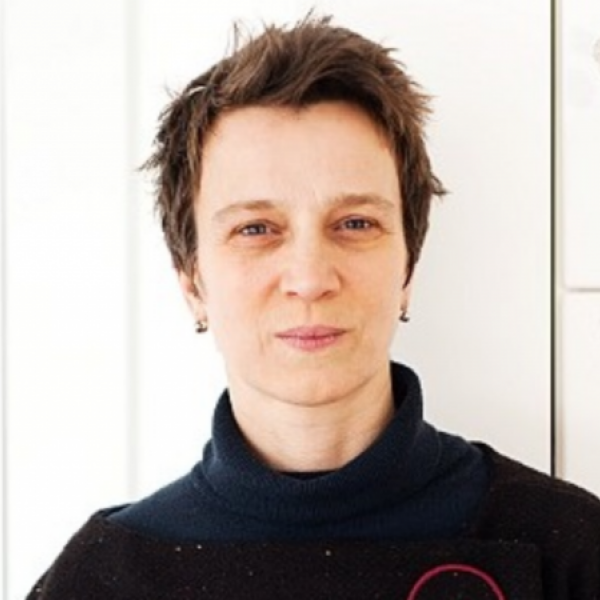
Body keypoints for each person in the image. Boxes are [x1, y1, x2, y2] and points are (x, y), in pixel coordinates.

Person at [27, 14, 600, 600]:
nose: (309, 277)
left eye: (355, 223)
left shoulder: (567, 550)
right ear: (191, 280)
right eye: (256, 228)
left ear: (408, 266)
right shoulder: (103, 576)